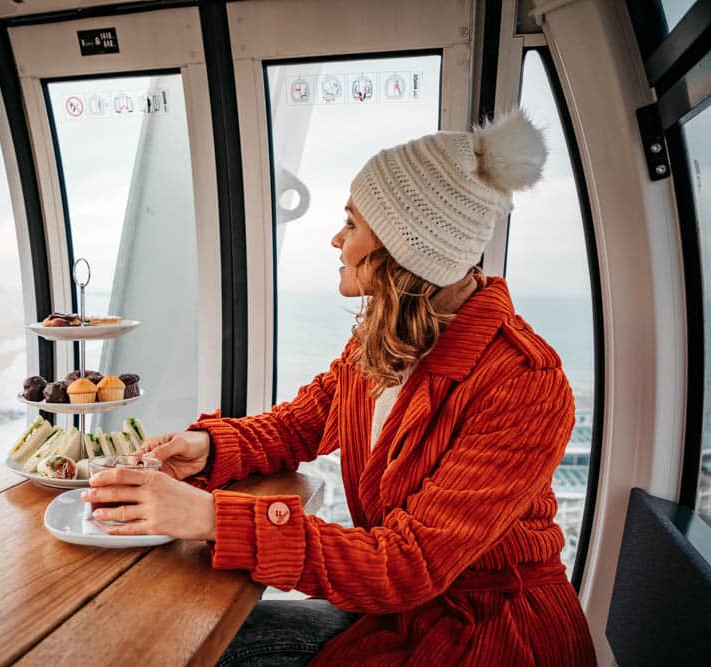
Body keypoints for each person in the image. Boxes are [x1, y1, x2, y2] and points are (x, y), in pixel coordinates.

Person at [83, 109, 597, 665]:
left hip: (486, 635)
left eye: (351, 224)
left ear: (403, 251)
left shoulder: (524, 384)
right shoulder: (385, 336)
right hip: (392, 611)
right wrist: (209, 447)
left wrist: (207, 517)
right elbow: (302, 422)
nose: (335, 238)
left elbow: (407, 564)